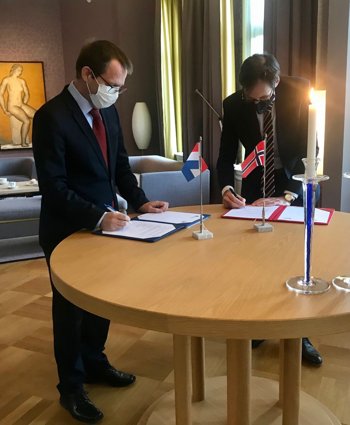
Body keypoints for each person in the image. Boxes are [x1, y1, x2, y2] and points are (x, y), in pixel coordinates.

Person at [32, 40, 169, 424]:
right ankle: (71, 388)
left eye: (121, 87)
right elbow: (54, 187)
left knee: (100, 304)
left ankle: (95, 362)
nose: (117, 93)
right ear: (88, 75)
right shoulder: (51, 117)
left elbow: (120, 169)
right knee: (71, 310)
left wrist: (141, 201)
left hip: (108, 228)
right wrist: (98, 215)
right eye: (113, 84)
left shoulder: (107, 113)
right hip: (67, 231)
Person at [217, 53, 322, 366]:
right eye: (251, 97)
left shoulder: (299, 92)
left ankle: (300, 335)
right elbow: (225, 156)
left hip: (292, 182)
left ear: (276, 83)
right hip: (254, 184)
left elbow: (310, 151)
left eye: (262, 97)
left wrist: (288, 196)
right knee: (256, 261)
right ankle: (259, 323)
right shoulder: (234, 103)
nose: (255, 102)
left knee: (294, 261)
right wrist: (226, 189)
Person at [0, 64, 36, 146]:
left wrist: (24, 103)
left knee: (38, 115)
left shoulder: (21, 81)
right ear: (14, 70)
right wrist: (4, 109)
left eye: (21, 70)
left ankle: (38, 139)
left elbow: (27, 93)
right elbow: (0, 94)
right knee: (26, 121)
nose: (20, 72)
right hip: (12, 106)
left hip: (21, 104)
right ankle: (23, 142)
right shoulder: (7, 80)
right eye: (19, 70)